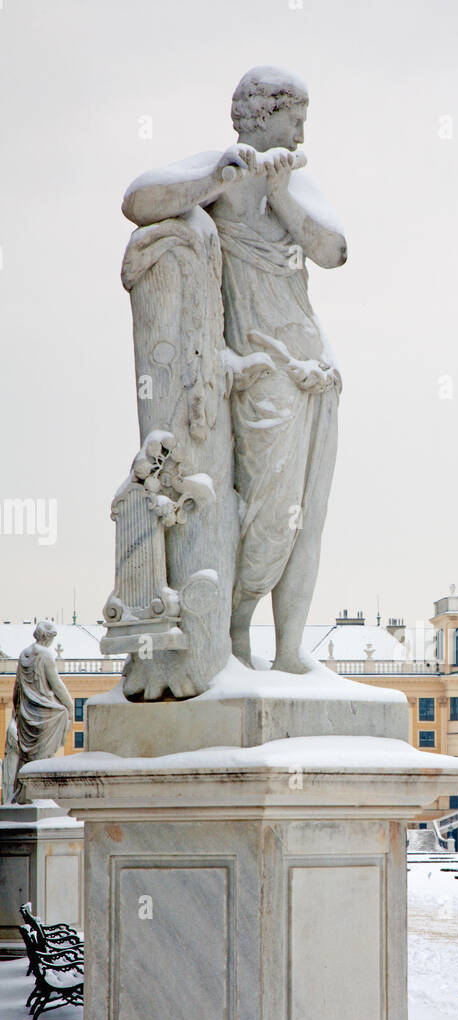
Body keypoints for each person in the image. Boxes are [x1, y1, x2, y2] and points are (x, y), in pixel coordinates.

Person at [122, 65, 347, 674]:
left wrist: (278, 194)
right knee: (271, 512)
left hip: (316, 368)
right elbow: (138, 201)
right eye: (294, 117)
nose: (301, 132)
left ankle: (292, 648)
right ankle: (237, 631)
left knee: (310, 512)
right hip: (260, 369)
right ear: (259, 114)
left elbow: (334, 250)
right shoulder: (220, 169)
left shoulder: (296, 183)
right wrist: (217, 176)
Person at [10, 622, 74, 803]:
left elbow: (17, 687)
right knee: (44, 751)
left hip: (25, 712)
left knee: (27, 755)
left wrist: (16, 708)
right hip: (44, 712)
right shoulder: (45, 655)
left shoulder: (24, 654)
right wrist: (69, 705)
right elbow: (56, 684)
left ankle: (23, 794)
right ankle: (40, 794)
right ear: (47, 637)